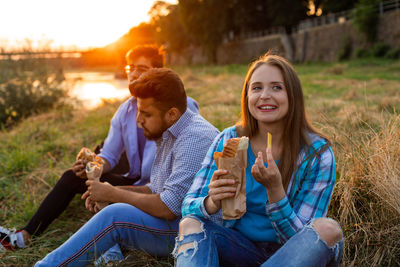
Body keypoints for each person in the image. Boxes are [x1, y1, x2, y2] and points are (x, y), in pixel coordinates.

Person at [0, 45, 199, 251]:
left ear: (157, 73)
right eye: (131, 67)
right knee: (72, 177)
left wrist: (114, 192)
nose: (134, 74)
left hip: (163, 189)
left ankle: (114, 246)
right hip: (136, 179)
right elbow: (109, 156)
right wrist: (92, 166)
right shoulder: (125, 110)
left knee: (114, 200)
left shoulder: (179, 107)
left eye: (142, 68)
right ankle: (25, 236)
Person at [34, 68, 219, 266]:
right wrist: (109, 192)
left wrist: (114, 195)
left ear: (172, 114)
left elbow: (169, 207)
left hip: (199, 233)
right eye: (139, 111)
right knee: (116, 208)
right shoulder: (171, 131)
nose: (139, 121)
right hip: (181, 223)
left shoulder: (193, 139)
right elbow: (155, 189)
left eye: (146, 114)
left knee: (115, 216)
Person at [173, 53, 344, 266]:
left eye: (276, 87)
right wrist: (211, 201)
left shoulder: (316, 154)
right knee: (190, 224)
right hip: (239, 247)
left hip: (291, 254)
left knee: (328, 230)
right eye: (256, 88)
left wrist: (275, 191)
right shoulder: (229, 139)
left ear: (293, 96)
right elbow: (188, 206)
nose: (264, 95)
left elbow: (302, 238)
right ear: (247, 97)